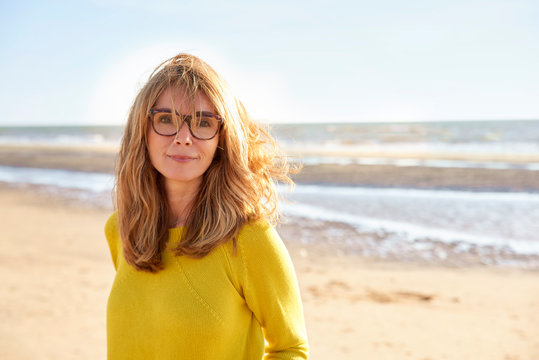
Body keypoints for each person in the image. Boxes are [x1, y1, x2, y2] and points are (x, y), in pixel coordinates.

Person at [104, 53, 309, 359]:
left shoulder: (249, 239)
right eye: (165, 119)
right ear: (141, 131)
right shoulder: (121, 228)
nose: (183, 138)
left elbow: (291, 349)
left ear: (222, 138)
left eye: (203, 122)